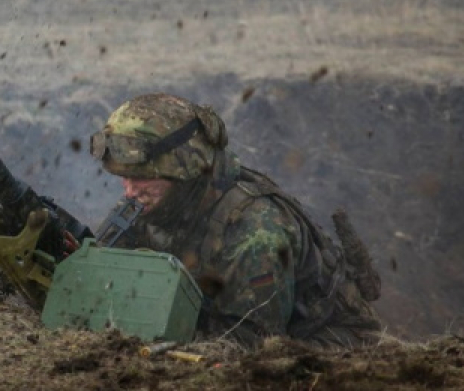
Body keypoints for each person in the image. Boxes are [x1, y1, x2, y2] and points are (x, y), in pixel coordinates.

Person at [88, 93, 383, 347]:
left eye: (141, 178)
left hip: (326, 345)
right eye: (124, 177)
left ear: (185, 171)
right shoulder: (155, 201)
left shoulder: (256, 231)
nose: (129, 190)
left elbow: (252, 345)